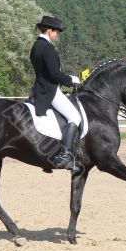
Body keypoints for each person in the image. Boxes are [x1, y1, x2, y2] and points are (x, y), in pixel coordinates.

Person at [30, 15, 81, 170]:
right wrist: (72, 80)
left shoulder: (36, 46)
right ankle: (65, 155)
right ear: (50, 30)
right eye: (57, 32)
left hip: (38, 87)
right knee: (75, 117)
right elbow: (54, 74)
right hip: (50, 90)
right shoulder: (47, 48)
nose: (58, 35)